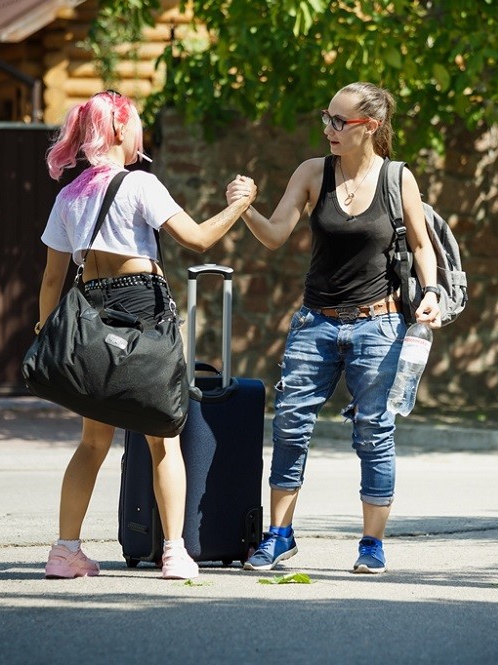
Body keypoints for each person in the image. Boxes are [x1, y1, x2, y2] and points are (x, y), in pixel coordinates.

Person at [37, 90, 255, 581]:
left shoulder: (69, 196)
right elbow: (198, 239)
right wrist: (240, 206)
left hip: (90, 313)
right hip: (143, 310)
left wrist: (47, 334)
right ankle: (175, 552)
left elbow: (52, 280)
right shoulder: (139, 184)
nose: (140, 132)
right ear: (119, 129)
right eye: (135, 123)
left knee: (92, 443)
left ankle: (64, 551)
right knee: (163, 440)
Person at [226, 82, 441, 574]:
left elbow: (421, 245)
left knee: (374, 430)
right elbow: (275, 235)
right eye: (326, 117)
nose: (329, 128)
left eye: (340, 121)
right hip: (315, 323)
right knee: (290, 424)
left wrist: (431, 291)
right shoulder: (312, 172)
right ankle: (279, 536)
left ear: (371, 127)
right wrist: (244, 209)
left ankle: (371, 544)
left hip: (379, 325)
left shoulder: (398, 178)